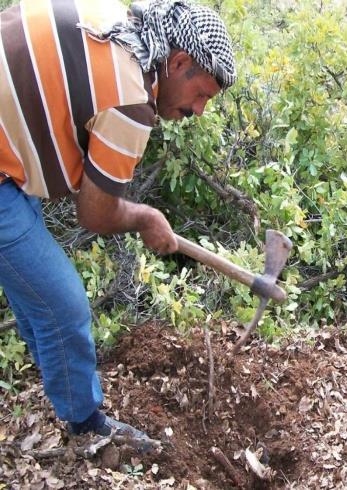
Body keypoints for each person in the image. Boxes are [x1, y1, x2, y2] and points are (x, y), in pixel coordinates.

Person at [0, 0, 236, 438]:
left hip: (6, 156)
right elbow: (95, 213)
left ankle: (56, 382)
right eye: (200, 94)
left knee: (37, 291)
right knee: (64, 305)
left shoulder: (120, 24)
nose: (198, 111)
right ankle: (87, 428)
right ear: (178, 61)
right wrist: (147, 217)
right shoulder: (130, 95)